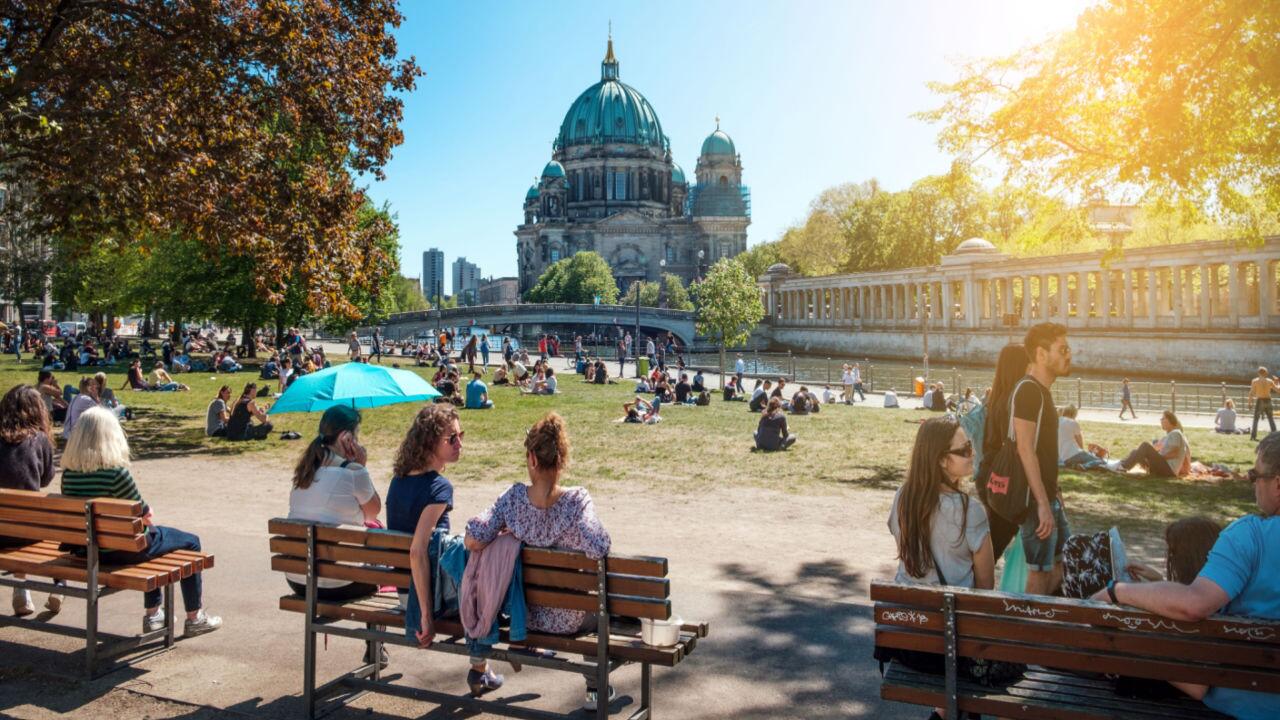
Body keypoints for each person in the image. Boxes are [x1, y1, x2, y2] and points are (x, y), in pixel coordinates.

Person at [1091, 433, 1280, 719]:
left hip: (1249, 703)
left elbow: (1195, 604)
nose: (1251, 482)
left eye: (1255, 475)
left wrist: (1119, 591)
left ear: (1278, 483)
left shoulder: (1251, 536)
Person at [465, 413, 614, 711]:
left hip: (525, 616)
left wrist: (506, 534)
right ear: (561, 460)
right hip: (569, 620)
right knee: (599, 612)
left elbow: (473, 536)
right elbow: (599, 546)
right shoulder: (577, 501)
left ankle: (537, 647)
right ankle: (595, 690)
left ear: (532, 458)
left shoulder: (513, 499)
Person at [61, 407, 222, 636]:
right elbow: (144, 514)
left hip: (91, 551)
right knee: (190, 542)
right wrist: (147, 513)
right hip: (125, 550)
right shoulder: (117, 474)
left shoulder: (68, 476)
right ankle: (193, 618)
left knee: (149, 538)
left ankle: (155, 615)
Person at [386, 406, 463, 678]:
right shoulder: (439, 488)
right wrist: (427, 616)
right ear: (431, 442)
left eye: (460, 435)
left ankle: (481, 668)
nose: (459, 443)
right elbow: (417, 552)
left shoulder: (398, 481)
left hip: (403, 594)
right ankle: (480, 667)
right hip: (425, 599)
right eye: (451, 438)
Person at [286, 406, 381, 600]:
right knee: (381, 563)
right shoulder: (353, 471)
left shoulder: (305, 471)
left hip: (298, 580)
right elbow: (373, 512)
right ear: (346, 437)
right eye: (356, 436)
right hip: (340, 583)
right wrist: (362, 467)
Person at [1009, 323, 1072, 595]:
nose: (1069, 355)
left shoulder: (1040, 392)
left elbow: (1041, 452)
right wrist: (1043, 504)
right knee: (1040, 575)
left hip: (1046, 497)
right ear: (1041, 354)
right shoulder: (1029, 391)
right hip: (1037, 502)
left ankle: (1042, 626)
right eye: (1063, 349)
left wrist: (1053, 491)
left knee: (1064, 564)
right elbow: (1025, 449)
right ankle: (1027, 631)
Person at [0, 385, 63, 616]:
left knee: (15, 523)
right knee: (61, 532)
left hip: (1, 532)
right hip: (28, 533)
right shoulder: (39, 440)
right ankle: (59, 584)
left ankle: (21, 590)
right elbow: (45, 479)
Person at [975, 344, 1032, 562]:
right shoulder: (1015, 402)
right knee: (996, 544)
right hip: (1007, 480)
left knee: (997, 539)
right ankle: (969, 586)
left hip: (990, 475)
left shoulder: (998, 399)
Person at [1117, 410, 1191, 478]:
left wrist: (1159, 457)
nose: (1161, 420)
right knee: (1135, 451)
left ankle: (1123, 467)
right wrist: (1154, 455)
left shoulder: (1176, 433)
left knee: (1145, 445)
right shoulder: (1170, 435)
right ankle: (1121, 464)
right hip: (1163, 467)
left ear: (1170, 421)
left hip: (1169, 470)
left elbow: (1175, 454)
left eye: (1163, 418)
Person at [1056, 405, 1106, 470]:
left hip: (1060, 457)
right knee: (1101, 461)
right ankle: (1085, 466)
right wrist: (1086, 452)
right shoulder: (1073, 423)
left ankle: (1075, 464)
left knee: (1082, 457)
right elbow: (1080, 443)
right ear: (1074, 414)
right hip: (1073, 454)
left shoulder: (1056, 421)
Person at [1248, 367, 1278, 441]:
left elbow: (1251, 393)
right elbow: (1278, 390)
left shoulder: (1255, 381)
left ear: (1258, 373)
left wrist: (1249, 403)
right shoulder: (1270, 381)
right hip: (1268, 400)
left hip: (1260, 400)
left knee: (1256, 419)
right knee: (1270, 418)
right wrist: (1278, 382)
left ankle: (1253, 436)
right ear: (1266, 373)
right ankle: (1275, 435)